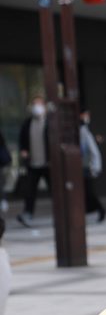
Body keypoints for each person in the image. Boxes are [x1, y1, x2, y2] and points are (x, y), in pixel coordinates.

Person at [16, 96, 50, 228]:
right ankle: (27, 214)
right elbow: (22, 140)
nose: (36, 107)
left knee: (55, 191)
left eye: (39, 104)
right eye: (34, 104)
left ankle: (63, 214)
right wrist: (24, 151)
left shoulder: (50, 123)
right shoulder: (27, 123)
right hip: (33, 164)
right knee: (29, 191)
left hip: (48, 164)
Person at [79, 111, 106, 223]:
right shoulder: (82, 129)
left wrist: (95, 167)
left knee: (88, 192)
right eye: (85, 114)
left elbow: (91, 149)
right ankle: (94, 209)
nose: (86, 117)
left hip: (85, 167)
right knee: (86, 192)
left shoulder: (83, 130)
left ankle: (100, 209)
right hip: (84, 166)